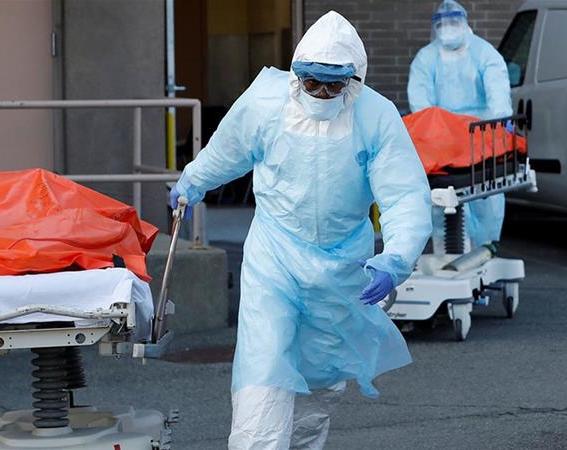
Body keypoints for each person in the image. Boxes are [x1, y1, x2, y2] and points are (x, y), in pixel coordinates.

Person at [170, 11, 432, 450]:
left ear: (355, 80)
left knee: (319, 383)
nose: (323, 94)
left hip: (341, 268)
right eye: (312, 83)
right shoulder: (266, 103)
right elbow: (228, 149)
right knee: (263, 370)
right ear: (295, 77)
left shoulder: (376, 116)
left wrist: (397, 256)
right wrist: (194, 180)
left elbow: (404, 194)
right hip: (275, 258)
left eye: (334, 85)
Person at [408, 0, 513, 248]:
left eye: (453, 22)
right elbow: (421, 105)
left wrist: (500, 127)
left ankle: (485, 248)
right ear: (435, 27)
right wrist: (437, 132)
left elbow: (499, 97)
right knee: (441, 205)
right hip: (442, 142)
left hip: (480, 139)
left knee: (485, 202)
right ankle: (447, 255)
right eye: (442, 24)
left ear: (465, 23)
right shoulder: (426, 58)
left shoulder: (485, 55)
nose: (448, 27)